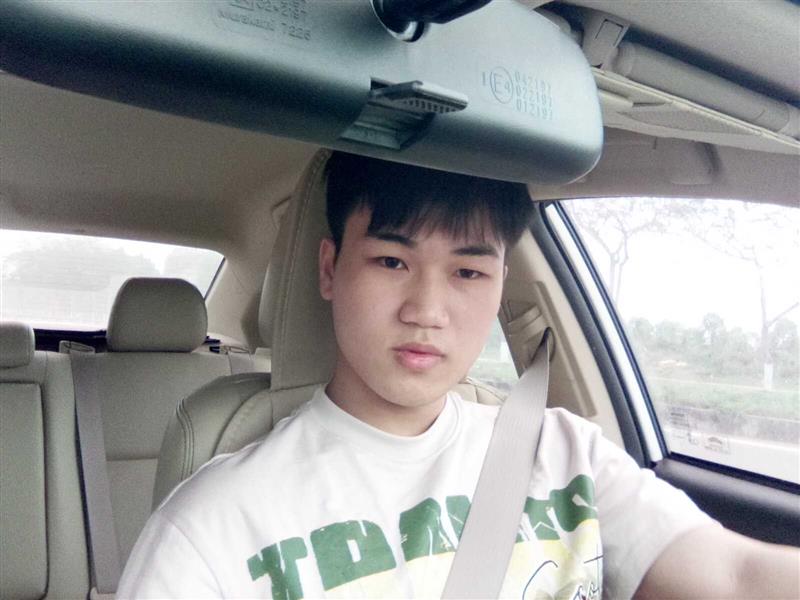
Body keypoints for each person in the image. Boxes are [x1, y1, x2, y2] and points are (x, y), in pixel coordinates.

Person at [117, 152, 799, 599]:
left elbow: (736, 576)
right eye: (391, 262)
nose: (427, 310)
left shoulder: (567, 455)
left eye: (468, 272)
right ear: (329, 269)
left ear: (500, 286)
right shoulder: (213, 524)